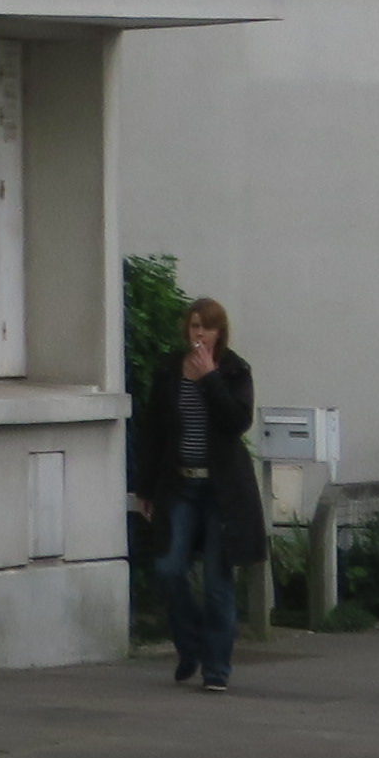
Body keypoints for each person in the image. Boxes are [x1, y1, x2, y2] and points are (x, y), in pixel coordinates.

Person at [130, 295, 261, 692]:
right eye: (193, 326)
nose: (199, 333)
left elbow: (238, 421)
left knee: (219, 582)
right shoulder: (170, 370)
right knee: (170, 568)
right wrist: (146, 488)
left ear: (219, 332)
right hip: (180, 486)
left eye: (206, 326)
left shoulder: (235, 370)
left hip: (221, 491)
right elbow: (154, 431)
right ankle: (189, 647)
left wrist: (210, 379)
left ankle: (217, 670)